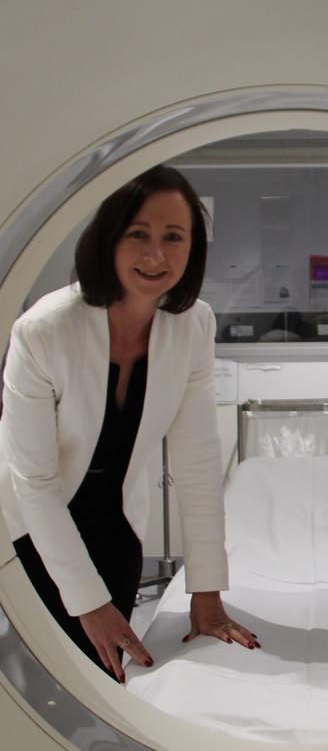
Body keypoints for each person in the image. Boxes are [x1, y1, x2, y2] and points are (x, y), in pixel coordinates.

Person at [0, 165, 259, 683]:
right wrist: (87, 602)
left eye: (173, 237)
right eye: (138, 234)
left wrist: (206, 593)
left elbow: (197, 463)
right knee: (44, 687)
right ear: (107, 239)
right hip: (33, 532)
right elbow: (34, 482)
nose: (155, 255)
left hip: (115, 529)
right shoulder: (44, 330)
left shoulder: (192, 324)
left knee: (109, 686)